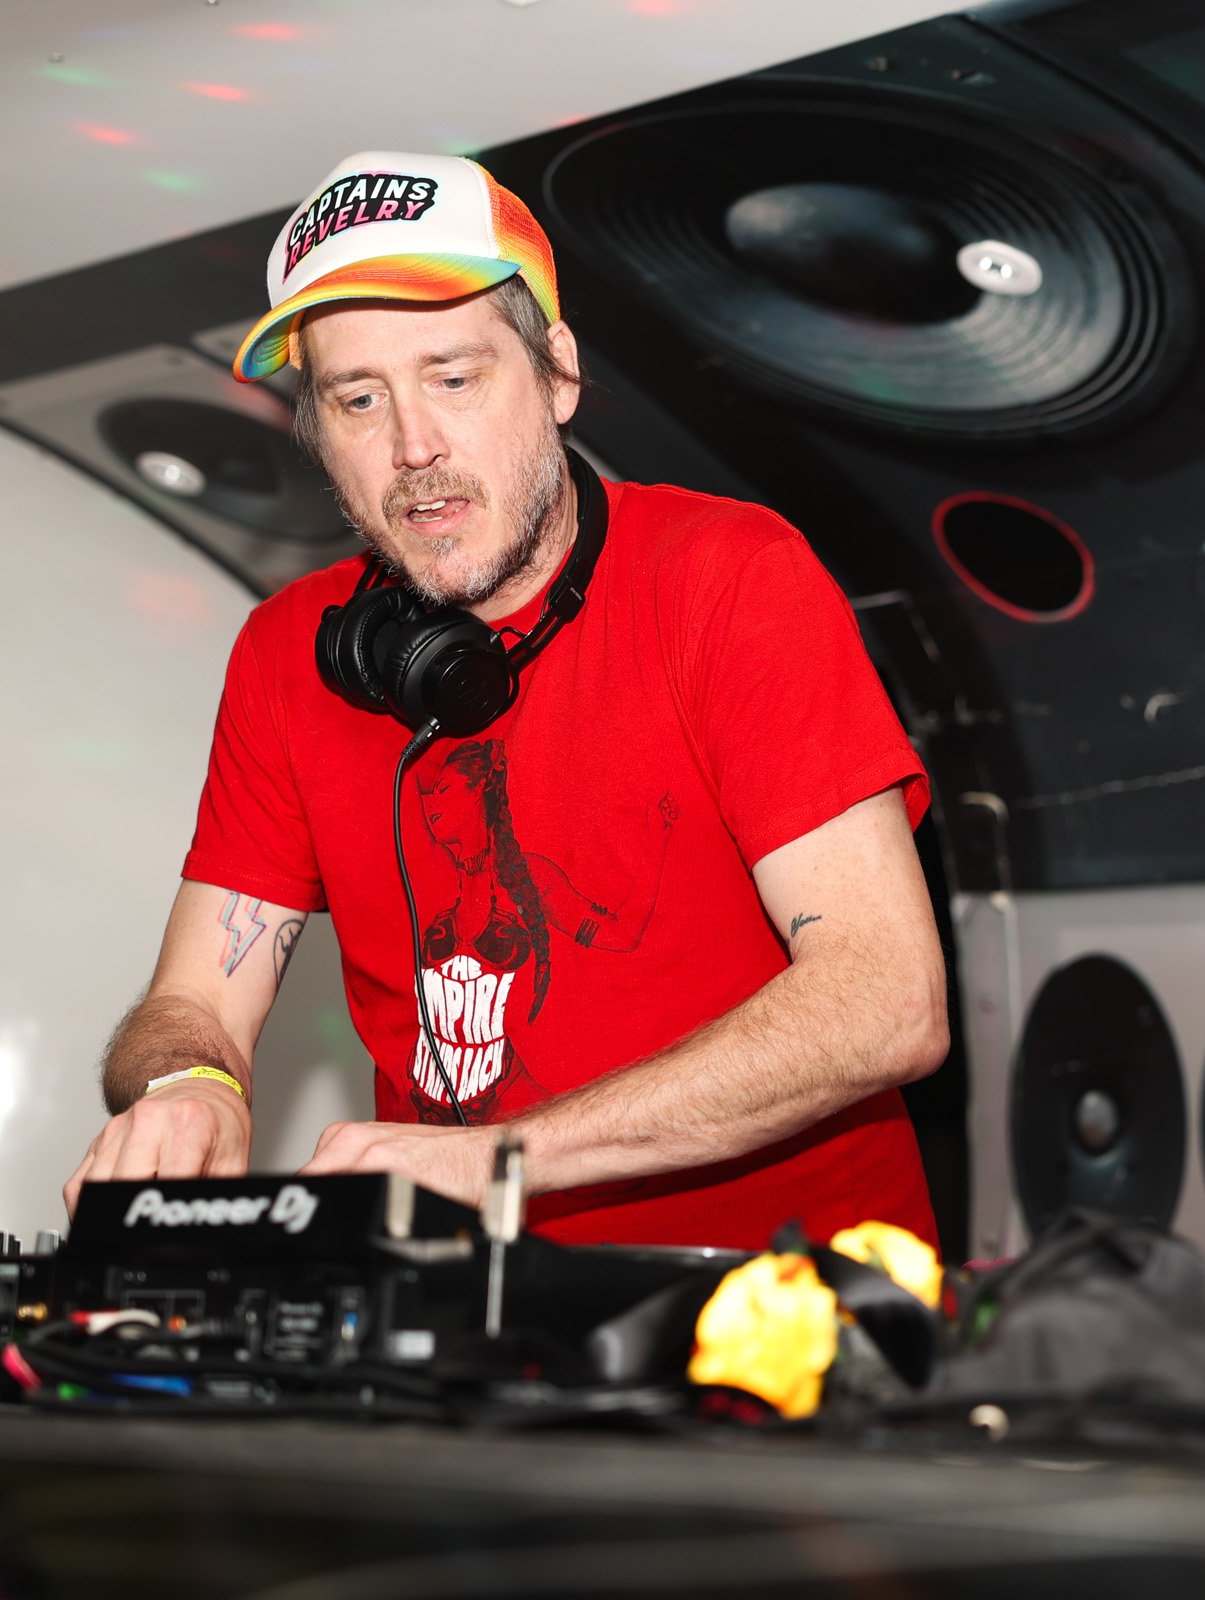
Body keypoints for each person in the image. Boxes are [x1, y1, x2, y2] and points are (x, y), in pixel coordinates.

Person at [63, 151, 946, 1249]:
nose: (414, 446)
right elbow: (194, 1001)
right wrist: (188, 1088)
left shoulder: (729, 576)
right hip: (462, 1332)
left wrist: (501, 1165)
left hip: (782, 1318)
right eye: (358, 398)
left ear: (559, 376)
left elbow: (884, 998)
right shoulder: (289, 655)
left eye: (454, 376)